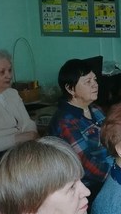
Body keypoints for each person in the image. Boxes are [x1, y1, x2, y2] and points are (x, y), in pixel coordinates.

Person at [47, 59, 113, 198]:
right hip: (90, 186)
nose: (95, 84)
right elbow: (85, 165)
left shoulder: (95, 109)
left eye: (95, 79)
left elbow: (115, 137)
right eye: (88, 82)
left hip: (112, 169)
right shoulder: (65, 122)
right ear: (70, 89)